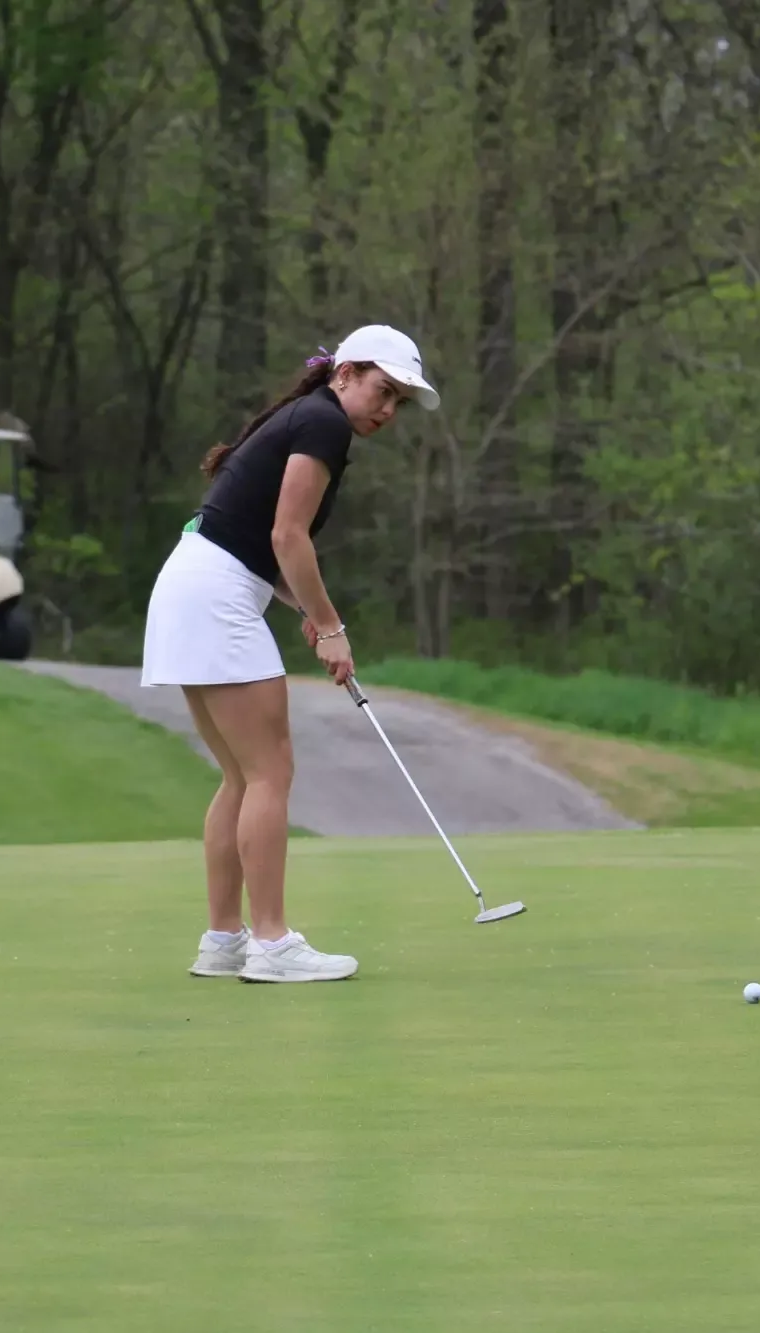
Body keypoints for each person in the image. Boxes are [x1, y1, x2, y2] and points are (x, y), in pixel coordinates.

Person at [141, 325, 439, 983]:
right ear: (346, 373)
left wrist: (307, 609)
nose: (387, 411)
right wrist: (330, 625)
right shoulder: (324, 423)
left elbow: (261, 539)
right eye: (383, 391)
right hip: (215, 595)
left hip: (192, 584)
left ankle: (224, 940)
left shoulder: (307, 415)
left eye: (398, 402)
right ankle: (271, 944)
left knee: (243, 777)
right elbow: (288, 534)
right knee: (270, 771)